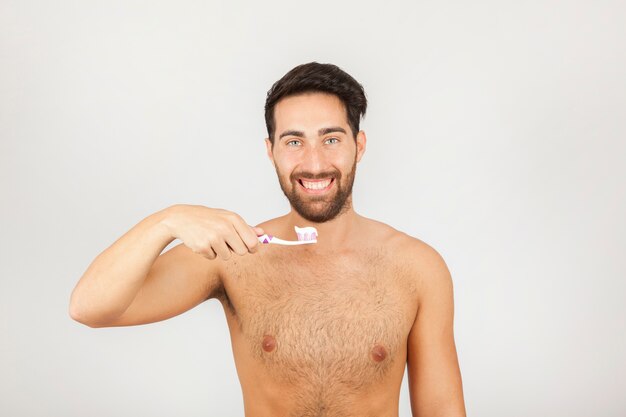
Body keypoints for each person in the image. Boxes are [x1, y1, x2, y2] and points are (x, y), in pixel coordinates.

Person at [69, 62, 467, 417]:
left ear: (358, 146)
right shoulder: (235, 253)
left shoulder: (417, 267)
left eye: (331, 139)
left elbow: (441, 410)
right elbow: (90, 307)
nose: (314, 162)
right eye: (294, 142)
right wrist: (166, 221)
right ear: (271, 151)